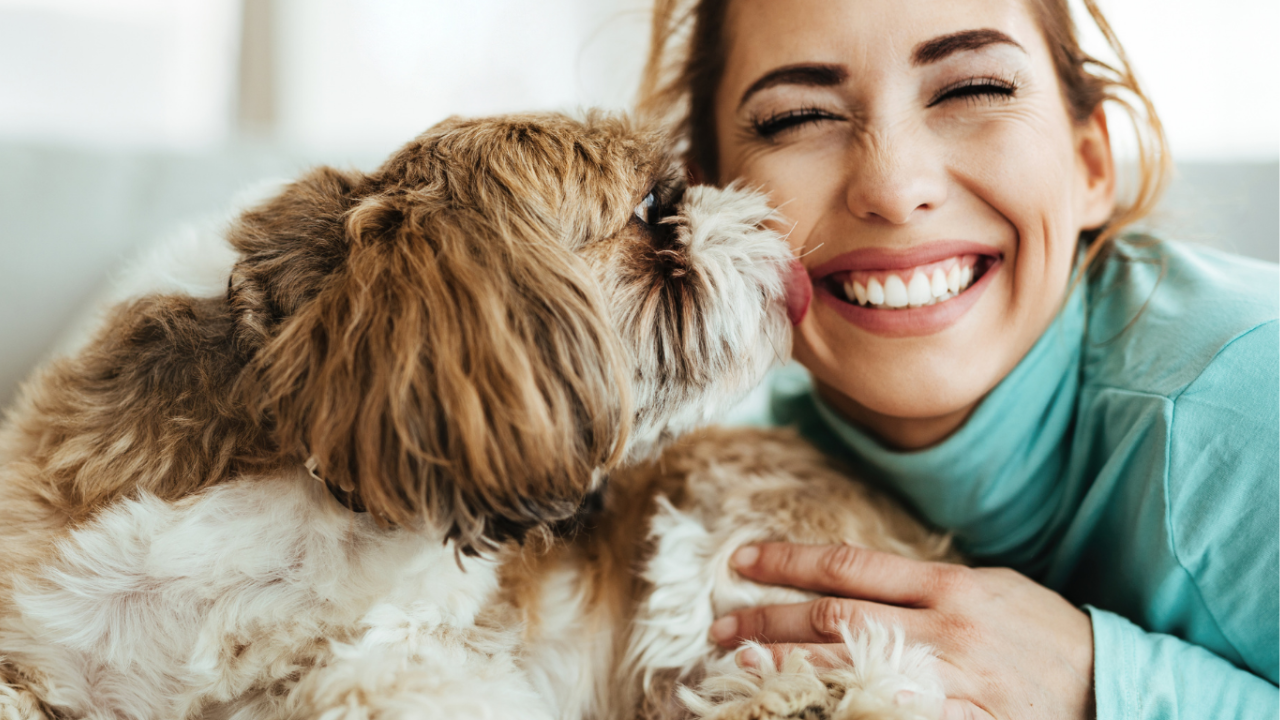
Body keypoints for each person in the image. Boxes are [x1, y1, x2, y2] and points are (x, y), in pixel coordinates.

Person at [636, 0, 1279, 717]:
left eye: (975, 89)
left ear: (1092, 164)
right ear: (703, 202)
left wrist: (1103, 685)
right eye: (798, 117)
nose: (894, 188)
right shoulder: (713, 476)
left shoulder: (1251, 406)